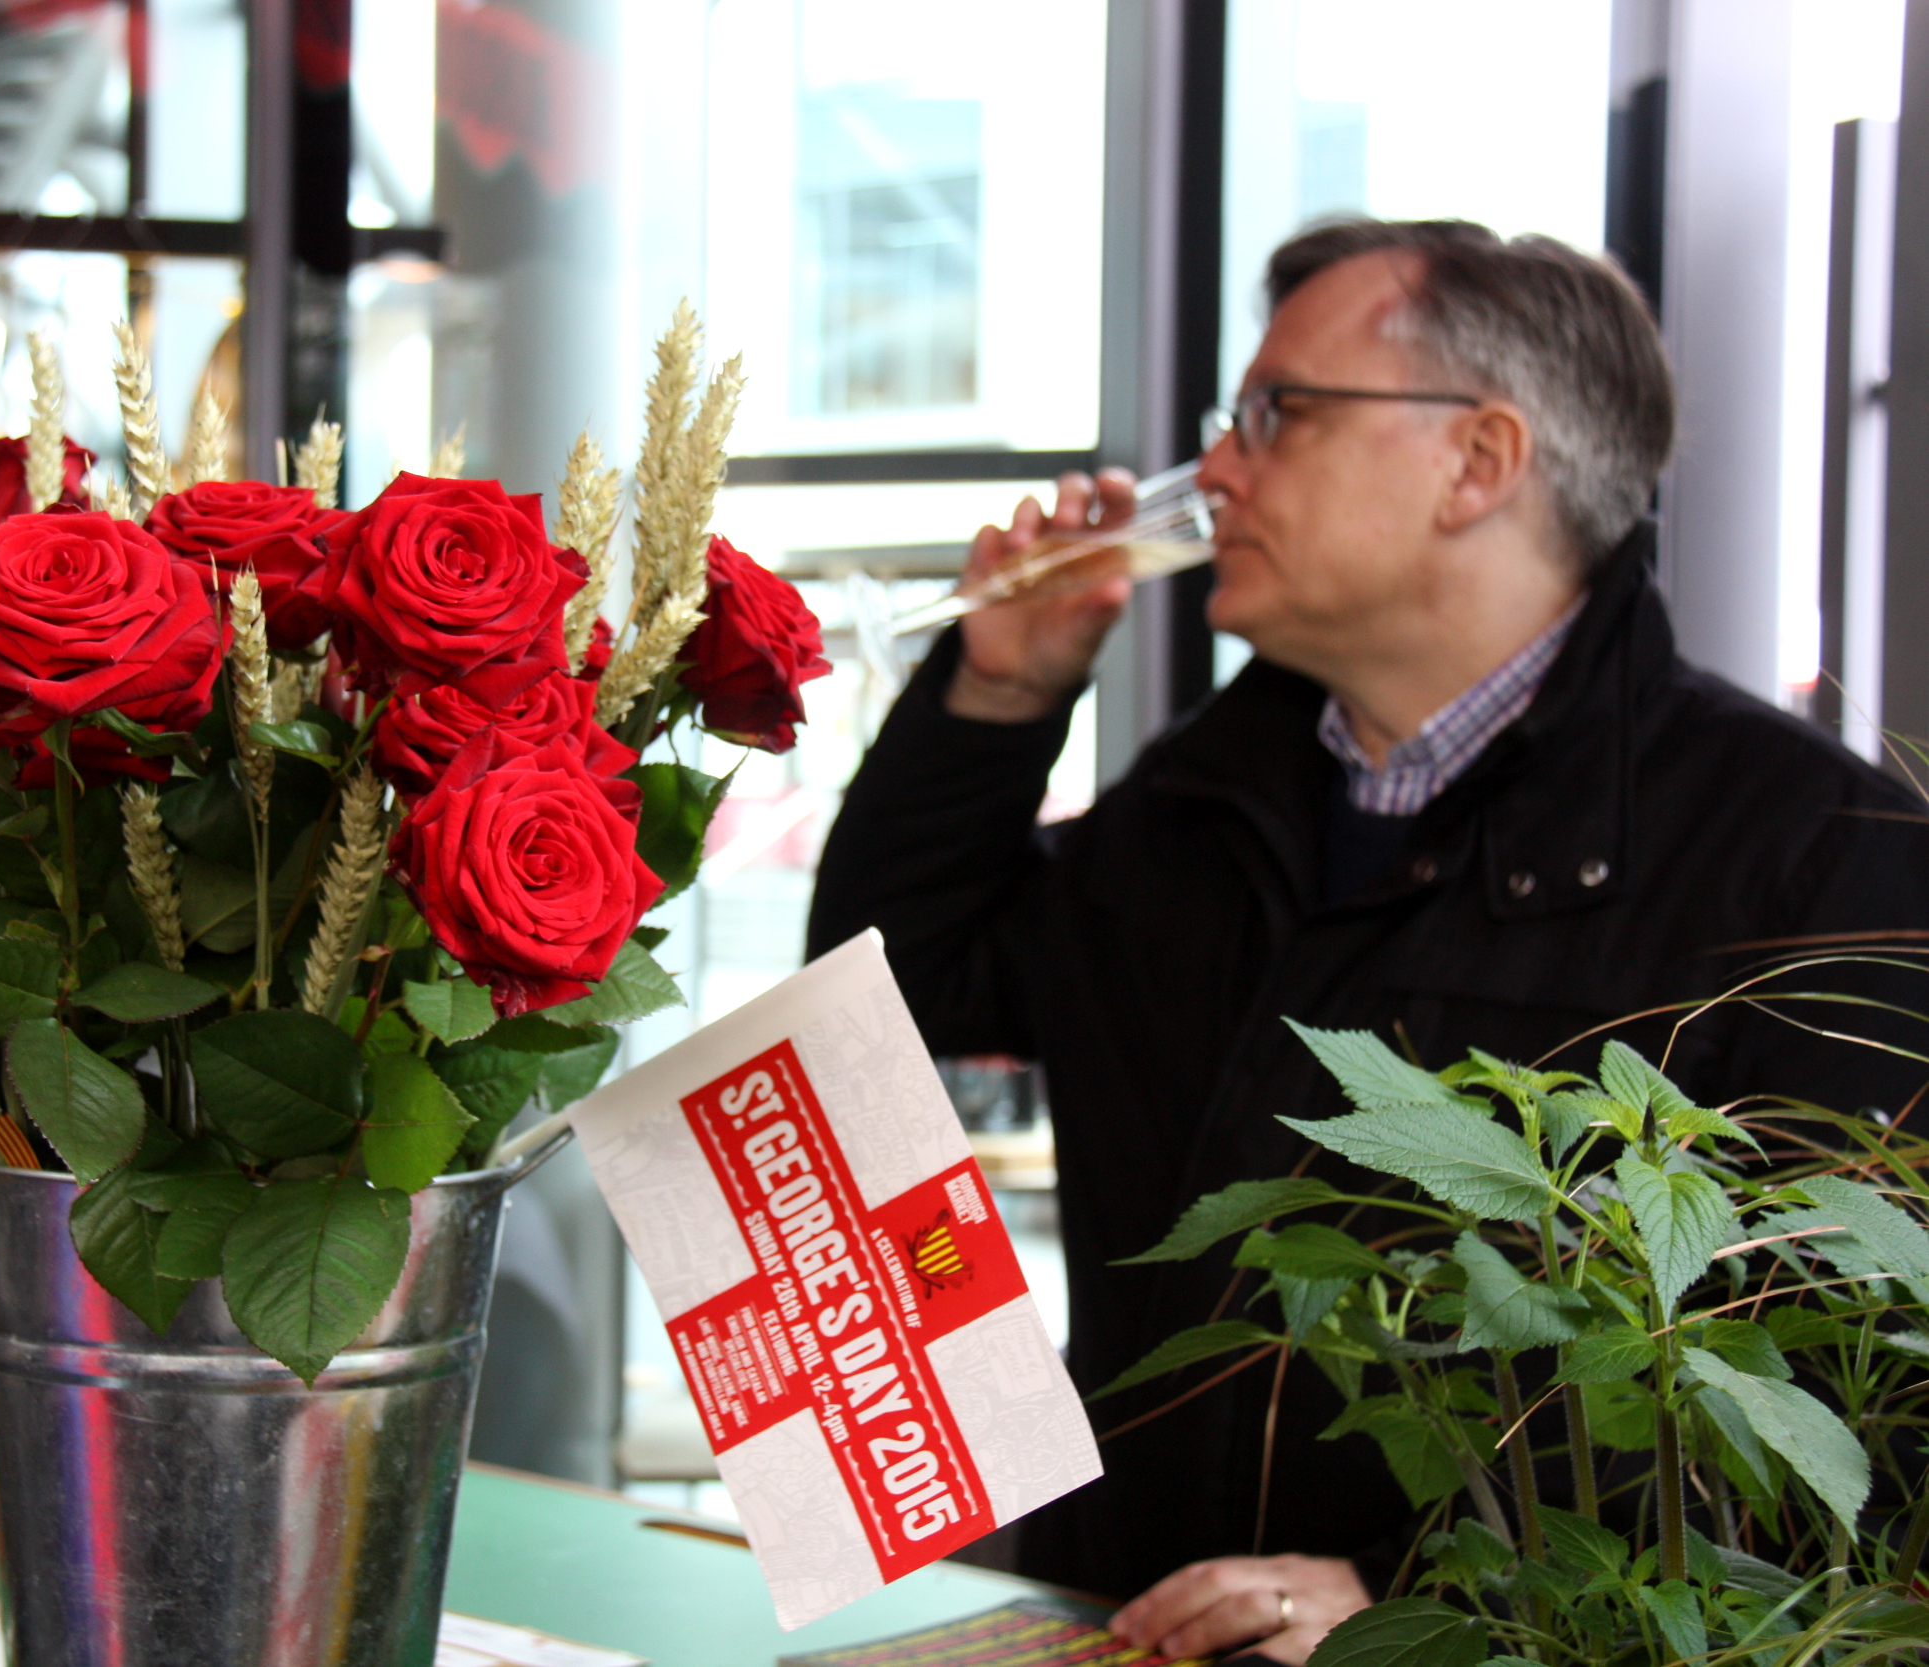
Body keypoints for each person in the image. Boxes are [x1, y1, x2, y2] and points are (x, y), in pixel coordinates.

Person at [807, 218, 1929, 1663]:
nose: (1214, 469)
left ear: (1480, 461)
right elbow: (898, 986)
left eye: (1278, 414)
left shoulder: (1815, 859)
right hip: (1121, 1625)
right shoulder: (1209, 795)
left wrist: (1436, 1602)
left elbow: (1836, 1409)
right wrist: (1001, 693)